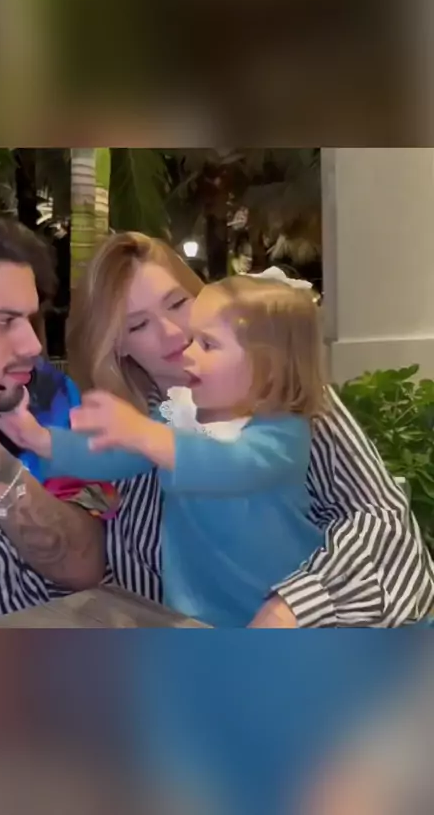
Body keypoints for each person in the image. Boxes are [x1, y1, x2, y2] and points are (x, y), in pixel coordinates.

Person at [63, 231, 434, 627]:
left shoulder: (279, 392)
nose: (172, 332)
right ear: (116, 345)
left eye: (178, 303)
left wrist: (294, 605)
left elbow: (380, 519)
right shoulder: (129, 429)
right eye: (138, 325)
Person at [2, 276, 330, 627]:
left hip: (272, 615)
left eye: (207, 344)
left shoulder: (282, 433)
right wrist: (44, 441)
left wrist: (146, 434)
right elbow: (115, 456)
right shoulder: (180, 413)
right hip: (193, 611)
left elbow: (231, 466)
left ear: (267, 368)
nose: (187, 352)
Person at [0, 205, 109, 626]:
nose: (32, 346)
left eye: (30, 318)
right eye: (3, 322)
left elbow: (83, 566)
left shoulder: (48, 397)